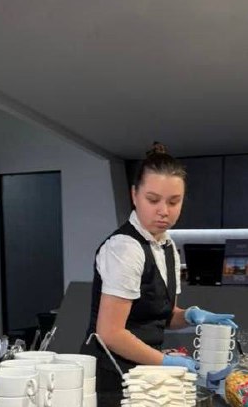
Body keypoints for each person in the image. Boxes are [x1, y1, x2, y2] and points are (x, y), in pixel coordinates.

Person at [82, 142, 237, 392]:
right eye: (152, 200)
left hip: (145, 374)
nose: (163, 211)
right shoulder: (125, 247)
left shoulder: (167, 246)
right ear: (134, 195)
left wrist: (190, 316)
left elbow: (161, 316)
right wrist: (166, 362)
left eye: (174, 202)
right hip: (113, 376)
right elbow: (110, 333)